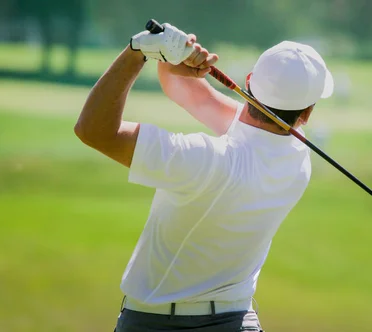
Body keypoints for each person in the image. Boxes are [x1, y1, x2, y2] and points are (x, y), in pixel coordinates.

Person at [74, 21, 334, 332]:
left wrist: (137, 53)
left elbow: (93, 130)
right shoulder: (297, 157)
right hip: (237, 321)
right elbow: (192, 95)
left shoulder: (201, 160)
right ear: (306, 114)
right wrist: (175, 66)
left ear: (249, 81)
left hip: (152, 323)